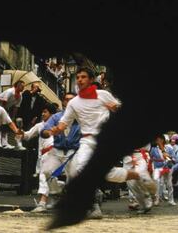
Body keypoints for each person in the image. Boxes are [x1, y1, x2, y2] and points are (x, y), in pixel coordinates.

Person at [43, 67, 156, 218]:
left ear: (90, 80)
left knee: (104, 173)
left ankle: (134, 176)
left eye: (83, 77)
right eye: (78, 77)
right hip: (87, 141)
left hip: (106, 141)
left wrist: (115, 109)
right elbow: (64, 124)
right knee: (80, 170)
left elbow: (122, 111)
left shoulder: (103, 95)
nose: (80, 80)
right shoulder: (73, 103)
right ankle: (94, 205)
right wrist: (55, 130)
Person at [18, 103, 57, 212]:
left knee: (44, 177)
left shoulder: (59, 124)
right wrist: (20, 132)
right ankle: (54, 201)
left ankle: (42, 203)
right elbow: (27, 135)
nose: (42, 113)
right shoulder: (39, 125)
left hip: (54, 152)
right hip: (43, 155)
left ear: (52, 114)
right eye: (42, 111)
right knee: (52, 179)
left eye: (45, 112)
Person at [0, 80, 25, 149]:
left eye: (24, 87)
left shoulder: (20, 96)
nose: (23, 88)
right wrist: (4, 113)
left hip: (6, 108)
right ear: (17, 86)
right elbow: (3, 102)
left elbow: (16, 107)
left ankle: (5, 143)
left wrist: (13, 117)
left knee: (6, 126)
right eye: (22, 86)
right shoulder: (10, 91)